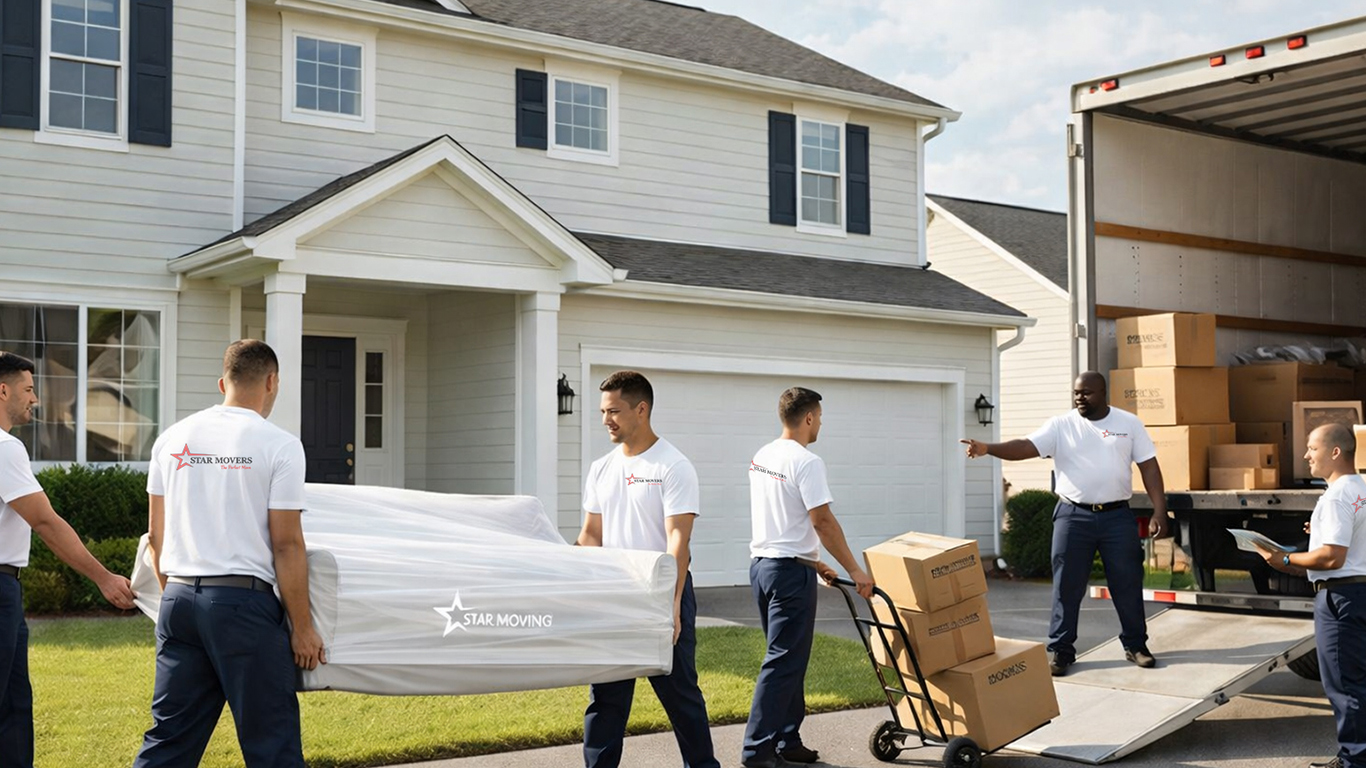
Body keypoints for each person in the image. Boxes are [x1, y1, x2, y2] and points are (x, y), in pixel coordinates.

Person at [133, 340, 326, 768]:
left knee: (169, 739)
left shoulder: (171, 439)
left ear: (223, 383)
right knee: (271, 742)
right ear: (272, 382)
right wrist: (303, 626)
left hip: (179, 600)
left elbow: (156, 535)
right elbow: (287, 543)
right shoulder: (279, 445)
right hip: (243, 608)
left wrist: (175, 595)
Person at [961, 371, 1168, 676]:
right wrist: (989, 448)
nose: (1079, 398)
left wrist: (1159, 511)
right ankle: (1061, 651)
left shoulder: (1128, 424)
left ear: (1103, 393)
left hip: (1117, 517)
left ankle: (1136, 645)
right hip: (1074, 516)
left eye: (1087, 393)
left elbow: (1149, 467)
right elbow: (1025, 446)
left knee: (1127, 582)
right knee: (1066, 587)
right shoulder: (1062, 425)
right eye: (1076, 393)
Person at [574, 370, 720, 768]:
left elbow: (679, 542)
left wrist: (671, 606)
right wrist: (566, 575)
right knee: (606, 699)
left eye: (615, 411)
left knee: (681, 696)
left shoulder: (673, 466)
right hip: (614, 595)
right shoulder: (601, 468)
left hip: (660, 594)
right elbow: (590, 536)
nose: (606, 419)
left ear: (642, 409)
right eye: (603, 411)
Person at [0, 351, 136, 768]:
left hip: (8, 587)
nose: (35, 399)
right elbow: (45, 522)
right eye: (28, 389)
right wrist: (104, 578)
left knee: (13, 705)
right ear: (2, 391)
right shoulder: (5, 448)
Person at [742, 387, 875, 768]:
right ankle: (757, 751)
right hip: (787, 575)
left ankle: (787, 738)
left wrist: (815, 564)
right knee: (784, 661)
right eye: (821, 417)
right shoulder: (806, 461)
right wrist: (855, 569)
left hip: (765, 568)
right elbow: (822, 521)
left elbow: (782, 518)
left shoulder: (762, 456)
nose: (821, 425)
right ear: (810, 418)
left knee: (788, 659)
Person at [1261, 423, 1366, 768]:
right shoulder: (1359, 488)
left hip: (1340, 598)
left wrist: (1284, 558)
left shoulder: (1336, 495)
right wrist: (1318, 530)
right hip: (1358, 592)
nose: (1306, 455)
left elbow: (1332, 557)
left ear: (1336, 452)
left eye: (1312, 448)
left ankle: (1354, 761)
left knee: (1344, 685)